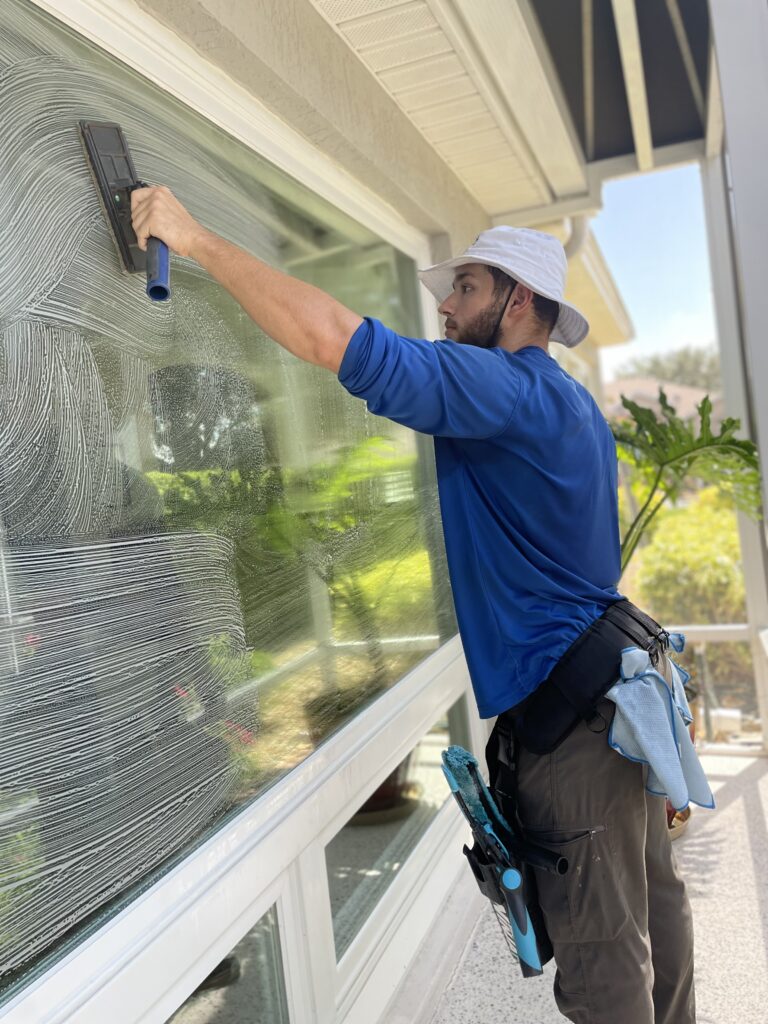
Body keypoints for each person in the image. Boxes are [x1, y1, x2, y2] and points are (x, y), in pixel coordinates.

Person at [130, 187, 696, 1023]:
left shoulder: (507, 390)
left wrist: (193, 237)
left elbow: (334, 340)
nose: (445, 303)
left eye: (465, 286)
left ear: (521, 301)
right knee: (656, 908)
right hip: (618, 696)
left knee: (604, 963)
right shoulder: (568, 402)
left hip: (577, 728)